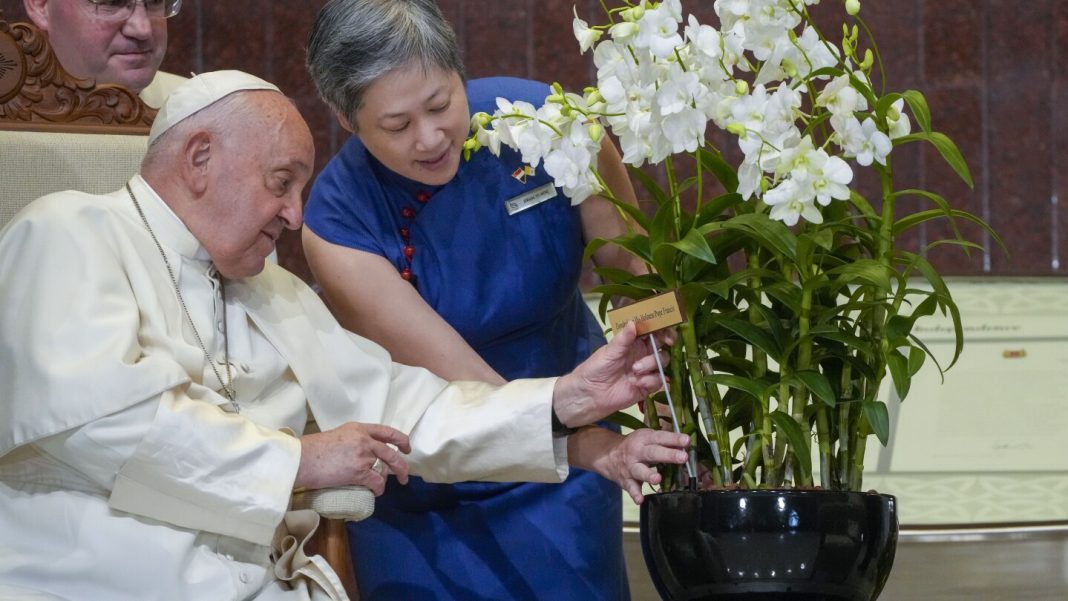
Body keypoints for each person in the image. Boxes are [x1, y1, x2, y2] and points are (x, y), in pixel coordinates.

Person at [0, 70, 690, 601]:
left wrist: (560, 402)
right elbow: (104, 423)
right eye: (280, 183)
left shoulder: (273, 292)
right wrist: (299, 461)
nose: (295, 215)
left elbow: (399, 402)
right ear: (199, 158)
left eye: (300, 187)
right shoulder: (67, 231)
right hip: (91, 578)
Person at [303, 1, 651, 598]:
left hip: (569, 469)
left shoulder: (546, 122)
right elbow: (463, 383)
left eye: (441, 104)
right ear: (345, 117)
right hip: (431, 479)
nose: (431, 137)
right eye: (396, 125)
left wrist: (668, 396)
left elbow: (636, 273)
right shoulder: (339, 223)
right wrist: (595, 447)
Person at [21, 0, 185, 107]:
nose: (143, 29)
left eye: (155, 1)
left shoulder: (198, 108)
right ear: (41, 6)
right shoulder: (8, 120)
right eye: (112, 3)